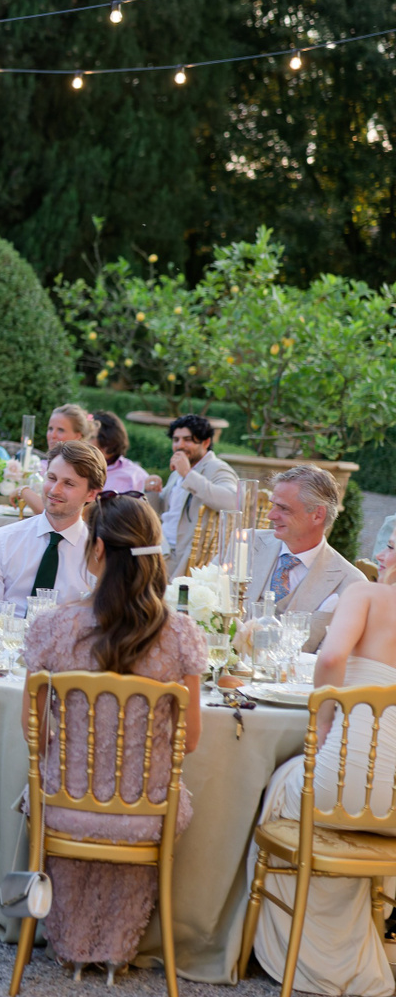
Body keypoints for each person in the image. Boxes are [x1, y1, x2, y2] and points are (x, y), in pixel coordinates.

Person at [21, 492, 204, 976]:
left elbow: (32, 732)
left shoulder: (55, 626)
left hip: (63, 805)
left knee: (43, 787)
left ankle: (68, 943)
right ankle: (116, 951)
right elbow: (189, 742)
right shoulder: (180, 634)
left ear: (98, 548)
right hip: (147, 813)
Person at [248, 563, 396, 995]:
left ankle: (301, 952)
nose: (382, 554)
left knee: (281, 782)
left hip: (341, 785)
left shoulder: (366, 594)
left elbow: (331, 658)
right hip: (393, 807)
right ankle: (366, 937)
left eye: (391, 546)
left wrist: (325, 719)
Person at [0, 441, 107, 626]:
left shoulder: (99, 553)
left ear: (92, 494)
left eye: (69, 483)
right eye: (51, 478)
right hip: (2, 640)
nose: (54, 490)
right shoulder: (4, 540)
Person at [249, 465, 366, 652]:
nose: (271, 515)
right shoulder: (246, 544)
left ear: (318, 515)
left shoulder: (351, 584)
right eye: (273, 505)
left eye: (283, 508)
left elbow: (331, 658)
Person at [152, 413, 241, 578]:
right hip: (161, 547)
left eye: (188, 440)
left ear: (206, 442)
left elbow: (232, 501)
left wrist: (188, 474)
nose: (180, 445)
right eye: (176, 440)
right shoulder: (178, 472)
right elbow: (162, 511)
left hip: (186, 557)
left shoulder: (217, 468)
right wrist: (151, 490)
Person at [89, 411, 148, 494]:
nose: (83, 441)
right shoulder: (75, 469)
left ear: (108, 441)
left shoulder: (135, 476)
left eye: (90, 437)